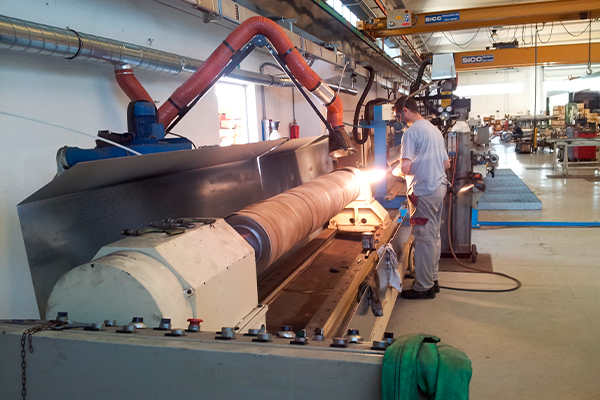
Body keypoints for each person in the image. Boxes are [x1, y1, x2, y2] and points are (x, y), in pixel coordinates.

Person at [391, 96, 451, 299]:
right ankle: (433, 279)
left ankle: (423, 287)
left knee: (423, 238)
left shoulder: (411, 132)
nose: (399, 120)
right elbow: (446, 164)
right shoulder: (434, 130)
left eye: (398, 116)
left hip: (424, 191)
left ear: (405, 111)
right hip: (438, 188)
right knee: (432, 235)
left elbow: (406, 168)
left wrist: (399, 170)